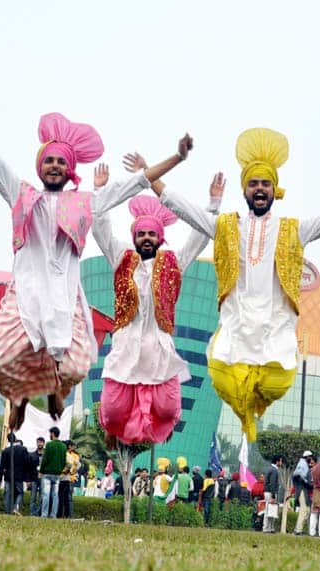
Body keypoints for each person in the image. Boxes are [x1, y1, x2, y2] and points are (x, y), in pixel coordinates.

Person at [159, 128, 320, 441]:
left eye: (265, 184)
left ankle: (254, 410)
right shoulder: (225, 226)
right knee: (220, 376)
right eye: (253, 184)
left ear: (274, 189)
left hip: (276, 325)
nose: (259, 189)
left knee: (276, 383)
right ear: (245, 190)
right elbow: (180, 206)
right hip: (236, 321)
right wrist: (150, 174)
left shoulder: (293, 230)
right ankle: (244, 415)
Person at [0, 78, 131, 428]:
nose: (56, 166)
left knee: (78, 364)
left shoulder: (83, 203)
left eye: (62, 161)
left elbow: (127, 189)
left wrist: (173, 161)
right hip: (26, 296)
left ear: (70, 169)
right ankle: (17, 397)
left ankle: (52, 390)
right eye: (50, 160)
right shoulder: (21, 194)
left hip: (65, 297)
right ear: (40, 166)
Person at [92, 148, 216, 445]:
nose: (146, 238)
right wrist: (100, 190)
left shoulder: (173, 263)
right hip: (126, 348)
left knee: (169, 408)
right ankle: (112, 429)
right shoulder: (121, 257)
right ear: (134, 237)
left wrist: (214, 203)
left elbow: (200, 236)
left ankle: (161, 427)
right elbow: (99, 225)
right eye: (142, 234)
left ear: (160, 238)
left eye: (151, 234)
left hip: (159, 350)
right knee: (111, 411)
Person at [39, 427, 66, 518]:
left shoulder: (49, 445)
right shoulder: (63, 446)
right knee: (55, 495)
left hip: (47, 474)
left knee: (46, 494)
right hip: (57, 474)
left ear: (53, 434)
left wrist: (41, 471)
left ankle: (44, 514)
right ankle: (53, 514)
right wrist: (60, 469)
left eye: (50, 433)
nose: (50, 435)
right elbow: (64, 461)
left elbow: (45, 459)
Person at [0, 434, 28, 515]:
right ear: (16, 439)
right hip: (19, 476)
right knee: (20, 493)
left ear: (8, 440)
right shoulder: (23, 449)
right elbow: (26, 463)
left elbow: (1, 466)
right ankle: (16, 507)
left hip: (8, 476)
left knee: (7, 493)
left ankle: (7, 512)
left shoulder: (5, 451)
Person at [292, 451, 314, 536]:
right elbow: (297, 475)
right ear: (307, 457)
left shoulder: (304, 463)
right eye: (310, 457)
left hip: (303, 489)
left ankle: (298, 528)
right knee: (303, 510)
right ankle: (298, 530)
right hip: (302, 489)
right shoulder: (302, 463)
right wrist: (306, 482)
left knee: (306, 510)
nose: (311, 459)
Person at [263, 455, 283, 534]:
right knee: (269, 510)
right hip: (270, 492)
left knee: (270, 510)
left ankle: (270, 528)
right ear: (277, 461)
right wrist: (273, 495)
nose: (281, 463)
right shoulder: (274, 470)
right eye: (280, 461)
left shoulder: (270, 469)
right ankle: (266, 528)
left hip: (268, 491)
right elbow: (272, 483)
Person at [28, 437, 44, 516]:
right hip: (34, 478)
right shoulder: (32, 455)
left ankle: (39, 512)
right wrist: (28, 480)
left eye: (41, 442)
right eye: (38, 442)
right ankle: (32, 513)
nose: (39, 444)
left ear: (43, 443)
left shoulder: (46, 455)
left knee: (41, 497)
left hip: (43, 479)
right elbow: (29, 468)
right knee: (33, 497)